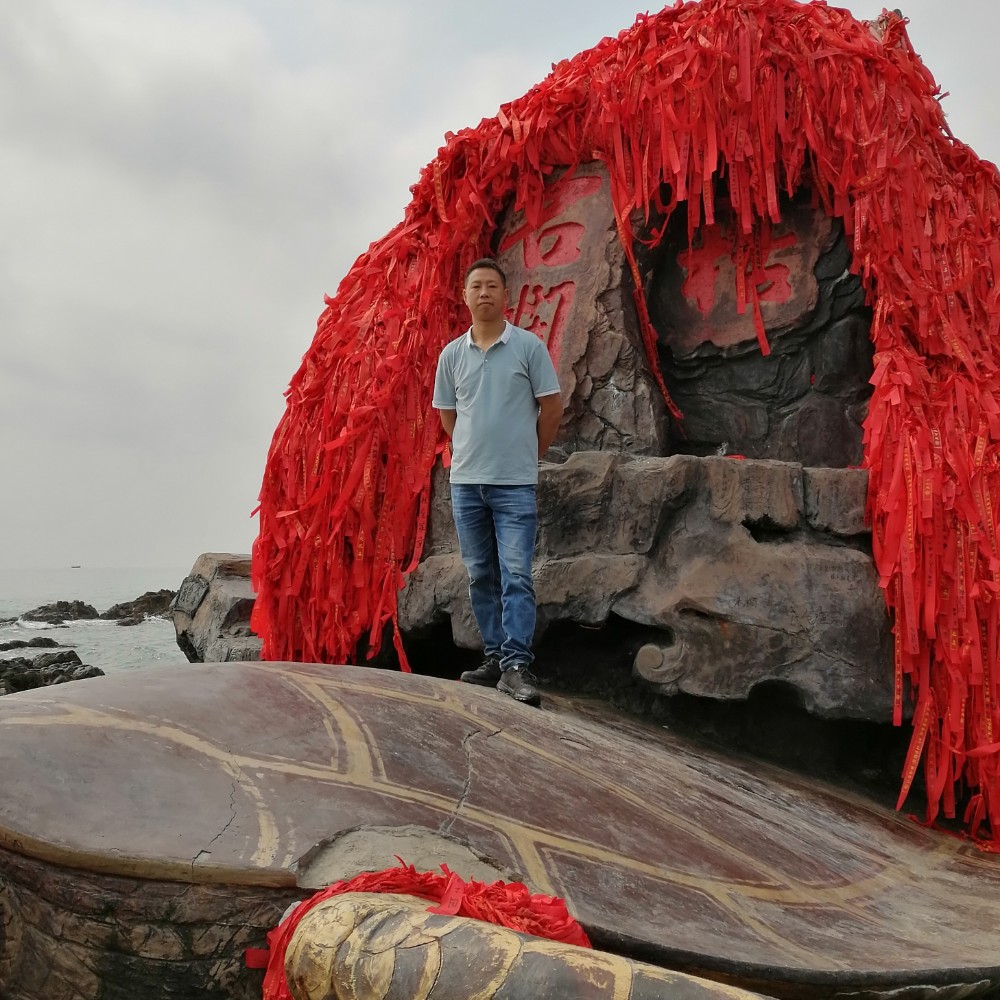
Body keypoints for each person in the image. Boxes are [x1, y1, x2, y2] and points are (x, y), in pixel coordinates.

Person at [432, 258, 564, 706]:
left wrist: (531, 453)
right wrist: (472, 449)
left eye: (492, 286)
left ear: (506, 295)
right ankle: (494, 658)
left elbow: (552, 408)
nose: (484, 293)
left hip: (514, 484)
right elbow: (448, 415)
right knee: (480, 573)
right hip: (466, 482)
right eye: (476, 286)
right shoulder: (451, 355)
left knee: (517, 575)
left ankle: (516, 665)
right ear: (465, 296)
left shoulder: (528, 347)